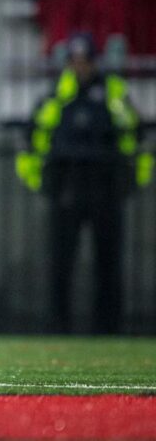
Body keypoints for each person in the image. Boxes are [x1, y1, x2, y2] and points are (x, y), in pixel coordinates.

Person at [16, 32, 153, 334]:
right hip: (67, 190)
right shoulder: (56, 96)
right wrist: (46, 185)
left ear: (94, 62)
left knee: (109, 264)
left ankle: (108, 327)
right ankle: (58, 326)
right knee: (60, 264)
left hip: (106, 191)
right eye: (74, 61)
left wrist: (127, 185)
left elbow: (136, 139)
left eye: (85, 60)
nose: (80, 67)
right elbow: (31, 142)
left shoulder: (114, 94)